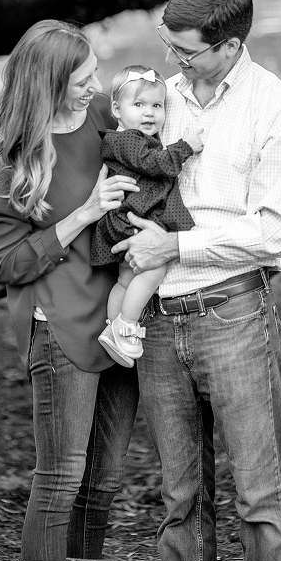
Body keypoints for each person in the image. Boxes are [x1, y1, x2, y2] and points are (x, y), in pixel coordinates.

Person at [113, 0, 281, 561]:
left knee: (259, 493)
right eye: (168, 48)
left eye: (189, 53)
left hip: (233, 313)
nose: (175, 65)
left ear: (230, 46)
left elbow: (270, 233)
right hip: (160, 323)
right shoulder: (157, 103)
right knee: (179, 498)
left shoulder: (279, 111)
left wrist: (175, 247)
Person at [0, 20, 155, 561]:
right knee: (59, 481)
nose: (92, 84)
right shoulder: (15, 154)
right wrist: (82, 214)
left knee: (102, 487)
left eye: (93, 74)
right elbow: (5, 261)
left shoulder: (101, 125)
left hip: (118, 323)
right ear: (50, 79)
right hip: (59, 331)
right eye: (80, 76)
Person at [90, 65, 202, 366]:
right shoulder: (128, 140)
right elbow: (158, 165)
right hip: (130, 221)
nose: (149, 113)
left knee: (126, 281)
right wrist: (186, 147)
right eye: (138, 105)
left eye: (157, 105)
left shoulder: (127, 138)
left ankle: (114, 328)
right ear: (116, 108)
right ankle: (127, 325)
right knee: (153, 269)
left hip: (126, 219)